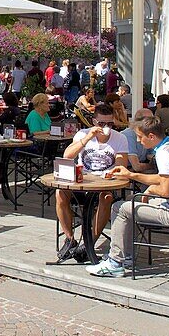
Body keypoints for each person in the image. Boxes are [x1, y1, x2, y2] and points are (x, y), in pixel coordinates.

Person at [86, 114, 169, 278]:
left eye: (140, 137)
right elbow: (164, 178)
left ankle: (115, 262)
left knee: (118, 207)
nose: (139, 141)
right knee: (130, 203)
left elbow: (164, 190)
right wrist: (131, 175)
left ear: (151, 136)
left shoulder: (163, 154)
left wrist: (149, 190)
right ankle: (126, 255)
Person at [55, 103, 129, 262]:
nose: (106, 127)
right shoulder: (83, 134)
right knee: (60, 192)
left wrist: (114, 170)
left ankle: (89, 243)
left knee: (106, 198)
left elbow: (122, 165)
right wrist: (88, 137)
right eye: (102, 123)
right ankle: (69, 239)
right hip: (82, 182)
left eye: (110, 124)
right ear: (94, 122)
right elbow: (67, 155)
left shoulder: (120, 138)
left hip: (104, 184)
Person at [121, 108, 156, 173]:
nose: (152, 124)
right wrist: (153, 165)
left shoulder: (147, 133)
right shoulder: (128, 135)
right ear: (138, 122)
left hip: (140, 168)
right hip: (128, 171)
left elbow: (151, 154)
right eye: (149, 121)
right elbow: (136, 167)